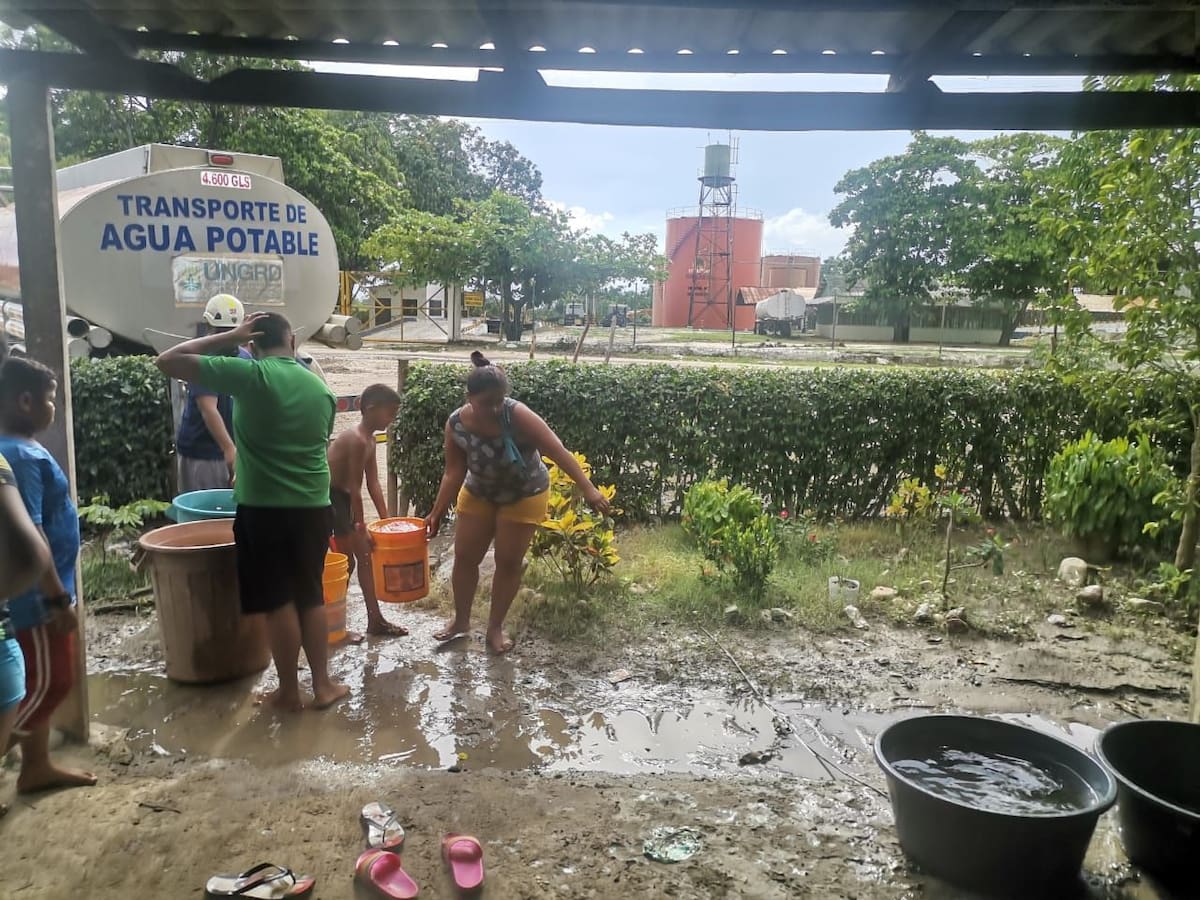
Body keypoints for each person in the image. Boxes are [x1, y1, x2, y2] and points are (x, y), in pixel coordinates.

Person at [156, 311, 348, 712]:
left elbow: (168, 360)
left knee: (278, 601)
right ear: (292, 340)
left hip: (264, 509)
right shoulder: (319, 389)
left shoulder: (252, 376)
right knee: (310, 595)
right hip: (314, 507)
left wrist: (227, 337)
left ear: (251, 344)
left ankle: (290, 693)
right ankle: (324, 686)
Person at [425, 352, 611, 654]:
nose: (496, 408)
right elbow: (453, 471)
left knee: (508, 563)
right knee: (464, 557)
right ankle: (460, 622)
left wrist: (588, 489)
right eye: (487, 403)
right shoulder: (456, 424)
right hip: (479, 493)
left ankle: (494, 628)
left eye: (500, 400)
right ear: (469, 398)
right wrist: (435, 512)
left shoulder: (519, 414)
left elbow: (557, 450)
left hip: (524, 494)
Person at [0, 356, 97, 793]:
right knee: (48, 684)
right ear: (25, 401)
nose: (53, 408)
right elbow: (32, 531)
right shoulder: (17, 455)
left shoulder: (20, 448)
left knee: (39, 681)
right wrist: (57, 599)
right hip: (38, 600)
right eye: (50, 399)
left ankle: (35, 767)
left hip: (45, 591)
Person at [328, 383, 407, 639]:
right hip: (334, 501)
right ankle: (333, 626)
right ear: (371, 409)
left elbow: (372, 482)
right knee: (347, 562)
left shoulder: (370, 439)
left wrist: (386, 521)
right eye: (390, 414)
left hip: (346, 501)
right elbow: (353, 487)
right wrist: (361, 526)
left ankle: (374, 621)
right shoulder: (356, 440)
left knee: (362, 559)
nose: (392, 420)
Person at [174, 294, 247, 493]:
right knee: (205, 515)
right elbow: (208, 409)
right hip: (203, 453)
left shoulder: (244, 357)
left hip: (234, 451)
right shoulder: (203, 357)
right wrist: (229, 449)